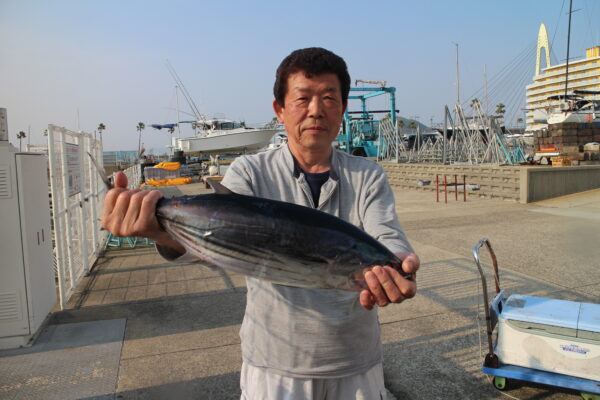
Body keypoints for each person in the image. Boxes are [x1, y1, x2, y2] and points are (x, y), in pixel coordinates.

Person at [102, 47, 419, 400]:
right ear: (279, 111)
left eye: (329, 98)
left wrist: (399, 261)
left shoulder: (367, 175)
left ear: (343, 109)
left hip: (355, 364)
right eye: (303, 98)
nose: (316, 110)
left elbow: (386, 235)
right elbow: (217, 236)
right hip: (274, 367)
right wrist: (157, 229)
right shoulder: (249, 171)